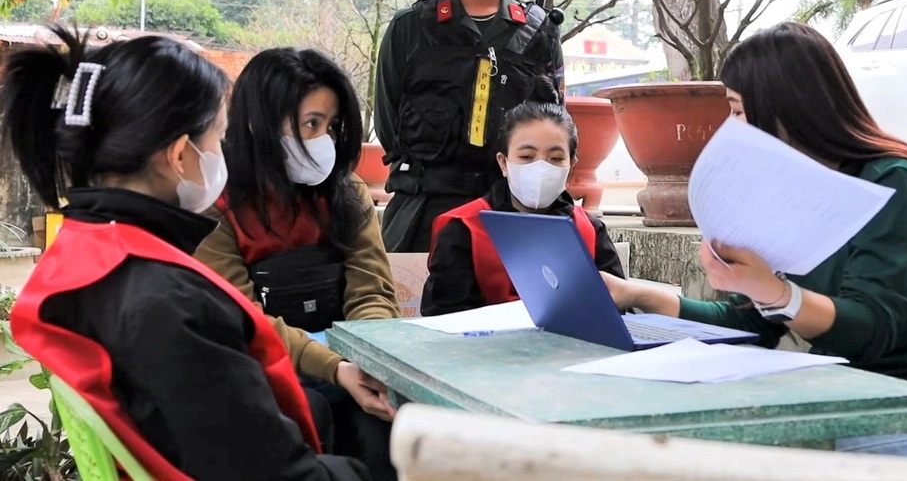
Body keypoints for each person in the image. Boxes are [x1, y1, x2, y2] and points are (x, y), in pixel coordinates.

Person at [4, 27, 369, 480]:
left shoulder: (88, 254)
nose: (225, 153)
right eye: (218, 137)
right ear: (181, 155)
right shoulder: (170, 303)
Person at [602, 22, 907, 459]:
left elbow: (871, 328)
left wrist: (775, 291)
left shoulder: (894, 181)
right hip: (856, 401)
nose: (732, 128)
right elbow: (756, 324)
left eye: (738, 111)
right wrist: (642, 295)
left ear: (787, 109)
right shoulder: (785, 188)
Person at [194, 47, 400, 481]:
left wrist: (370, 358)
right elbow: (245, 320)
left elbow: (372, 290)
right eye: (311, 124)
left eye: (332, 126)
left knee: (388, 423)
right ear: (259, 124)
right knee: (309, 410)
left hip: (348, 362)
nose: (324, 139)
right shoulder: (216, 205)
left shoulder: (347, 194)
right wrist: (335, 368)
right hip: (267, 370)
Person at [375, 0, 565, 253]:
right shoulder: (411, 27)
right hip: (424, 212)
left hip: (511, 213)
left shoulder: (539, 32)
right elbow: (388, 124)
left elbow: (556, 128)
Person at [422, 79, 624, 315]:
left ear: (571, 164)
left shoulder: (589, 230)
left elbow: (617, 309)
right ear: (503, 163)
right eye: (527, 157)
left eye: (556, 158)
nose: (541, 167)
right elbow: (443, 316)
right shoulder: (464, 228)